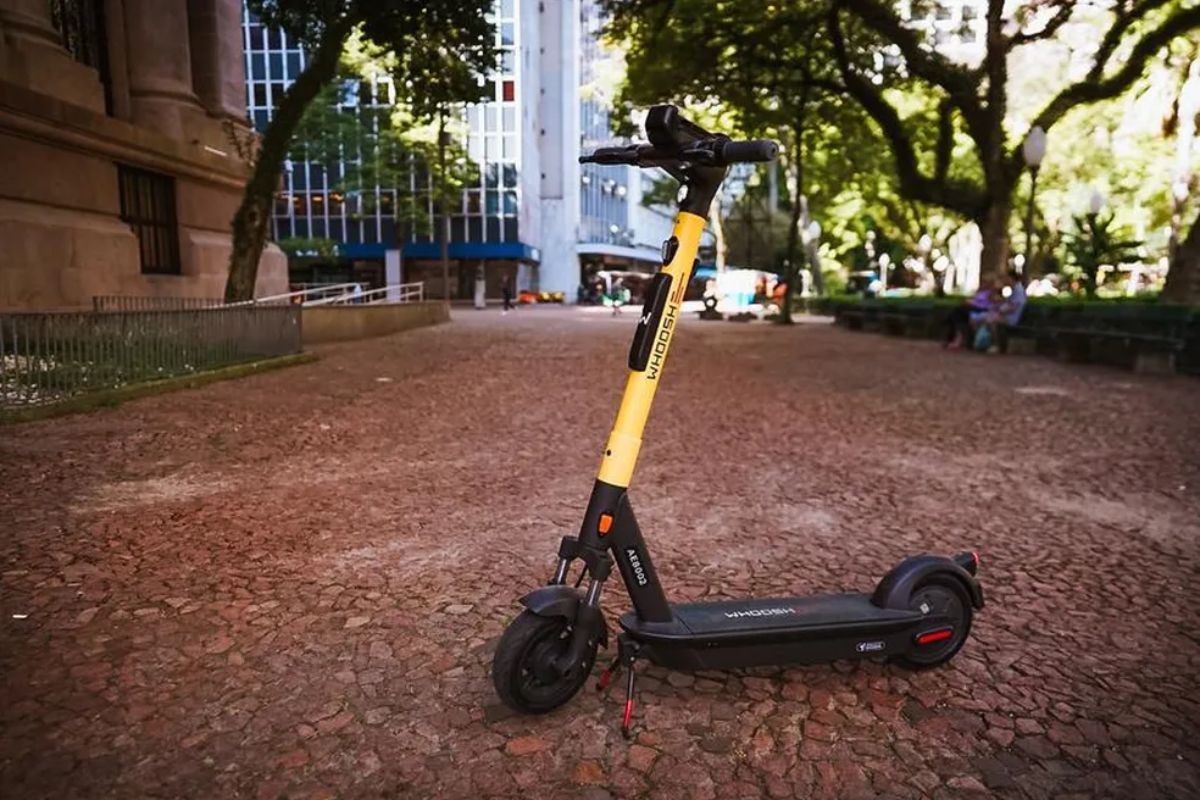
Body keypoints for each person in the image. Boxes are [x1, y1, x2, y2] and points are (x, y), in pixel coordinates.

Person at [944, 280, 995, 349]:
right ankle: (956, 338)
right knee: (957, 315)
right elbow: (976, 300)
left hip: (981, 309)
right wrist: (971, 301)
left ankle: (955, 338)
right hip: (974, 308)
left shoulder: (990, 293)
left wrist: (973, 303)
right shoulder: (980, 292)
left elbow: (988, 304)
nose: (983, 284)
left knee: (958, 311)